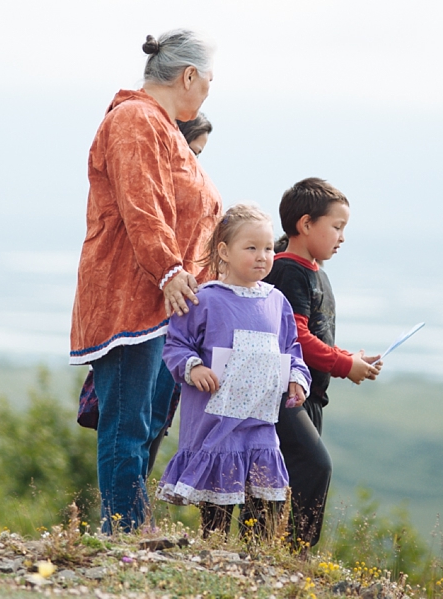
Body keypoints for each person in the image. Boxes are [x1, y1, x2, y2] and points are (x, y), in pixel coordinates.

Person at [70, 28, 222, 533]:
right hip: (132, 297)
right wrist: (170, 269)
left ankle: (132, 527)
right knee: (127, 422)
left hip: (166, 303)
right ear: (189, 75)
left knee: (150, 421)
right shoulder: (135, 119)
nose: (206, 93)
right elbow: (142, 203)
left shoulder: (158, 123)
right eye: (208, 82)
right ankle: (122, 533)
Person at [157, 204, 311, 538]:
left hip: (260, 422)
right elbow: (175, 344)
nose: (263, 256)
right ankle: (213, 555)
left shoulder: (277, 301)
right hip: (217, 423)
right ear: (224, 252)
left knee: (263, 506)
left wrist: (297, 379)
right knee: (218, 508)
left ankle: (256, 564)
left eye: (269, 248)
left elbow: (292, 350)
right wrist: (193, 367)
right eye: (251, 247)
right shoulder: (206, 299)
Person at [264, 177, 383, 548]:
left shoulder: (315, 272)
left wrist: (348, 356)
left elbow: (316, 336)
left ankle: (266, 549)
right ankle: (296, 552)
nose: (342, 237)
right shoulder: (289, 271)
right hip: (286, 392)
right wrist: (345, 366)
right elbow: (297, 337)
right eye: (337, 226)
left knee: (282, 475)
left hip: (311, 395)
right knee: (315, 466)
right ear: (305, 224)